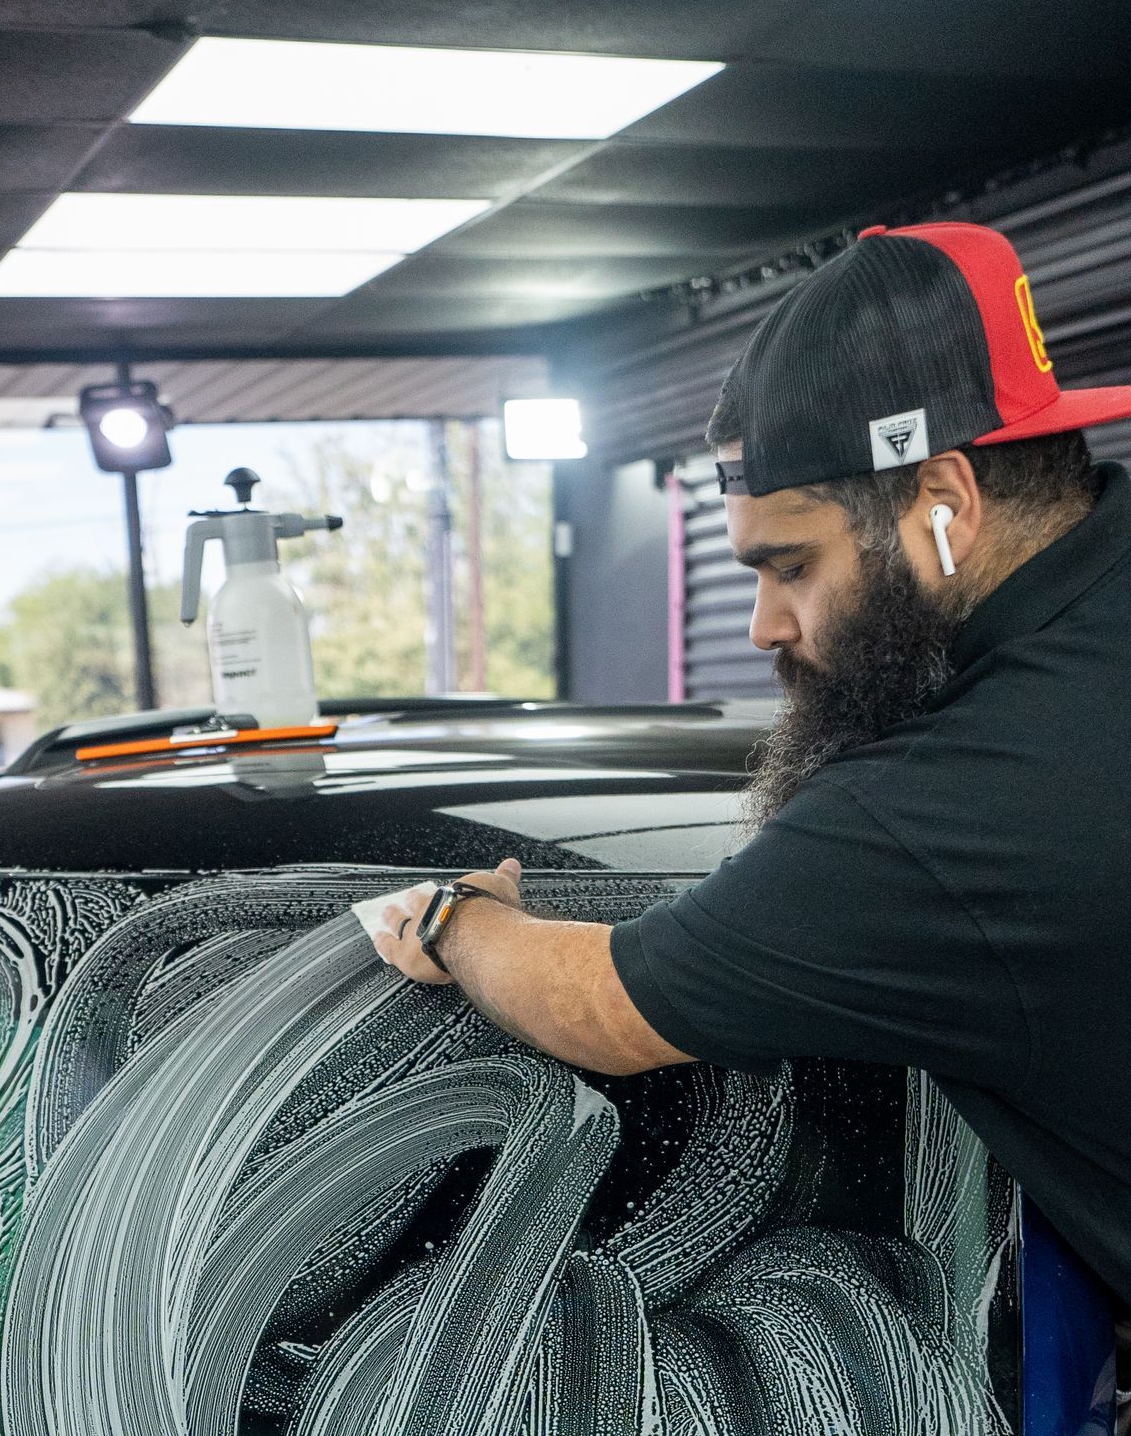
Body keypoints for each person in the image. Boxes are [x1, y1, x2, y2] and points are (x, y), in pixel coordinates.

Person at [365, 218, 1131, 1316]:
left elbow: (602, 1008)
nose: (766, 625)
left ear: (947, 504)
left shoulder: (957, 806)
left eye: (792, 565)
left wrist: (458, 921)